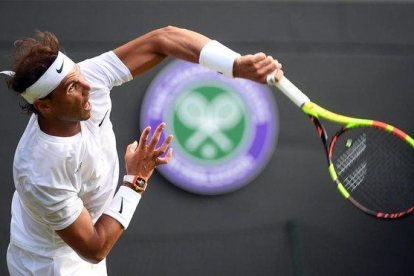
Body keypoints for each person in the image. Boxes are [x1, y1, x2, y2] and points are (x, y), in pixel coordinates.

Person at [1, 26, 283, 275]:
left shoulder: (87, 81)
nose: (88, 85)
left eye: (79, 74)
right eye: (73, 86)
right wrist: (136, 179)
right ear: (45, 106)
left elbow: (163, 39)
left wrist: (235, 65)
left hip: (81, 239)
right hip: (50, 265)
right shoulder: (40, 170)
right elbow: (94, 248)